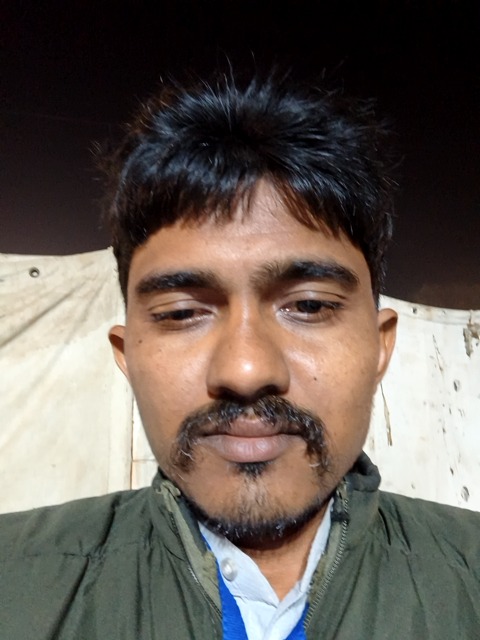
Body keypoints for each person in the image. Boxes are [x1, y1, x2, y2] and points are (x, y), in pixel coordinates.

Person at [1, 68, 479, 640]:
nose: (246, 370)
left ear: (381, 347)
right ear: (126, 357)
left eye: (308, 305)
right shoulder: (18, 585)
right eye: (183, 313)